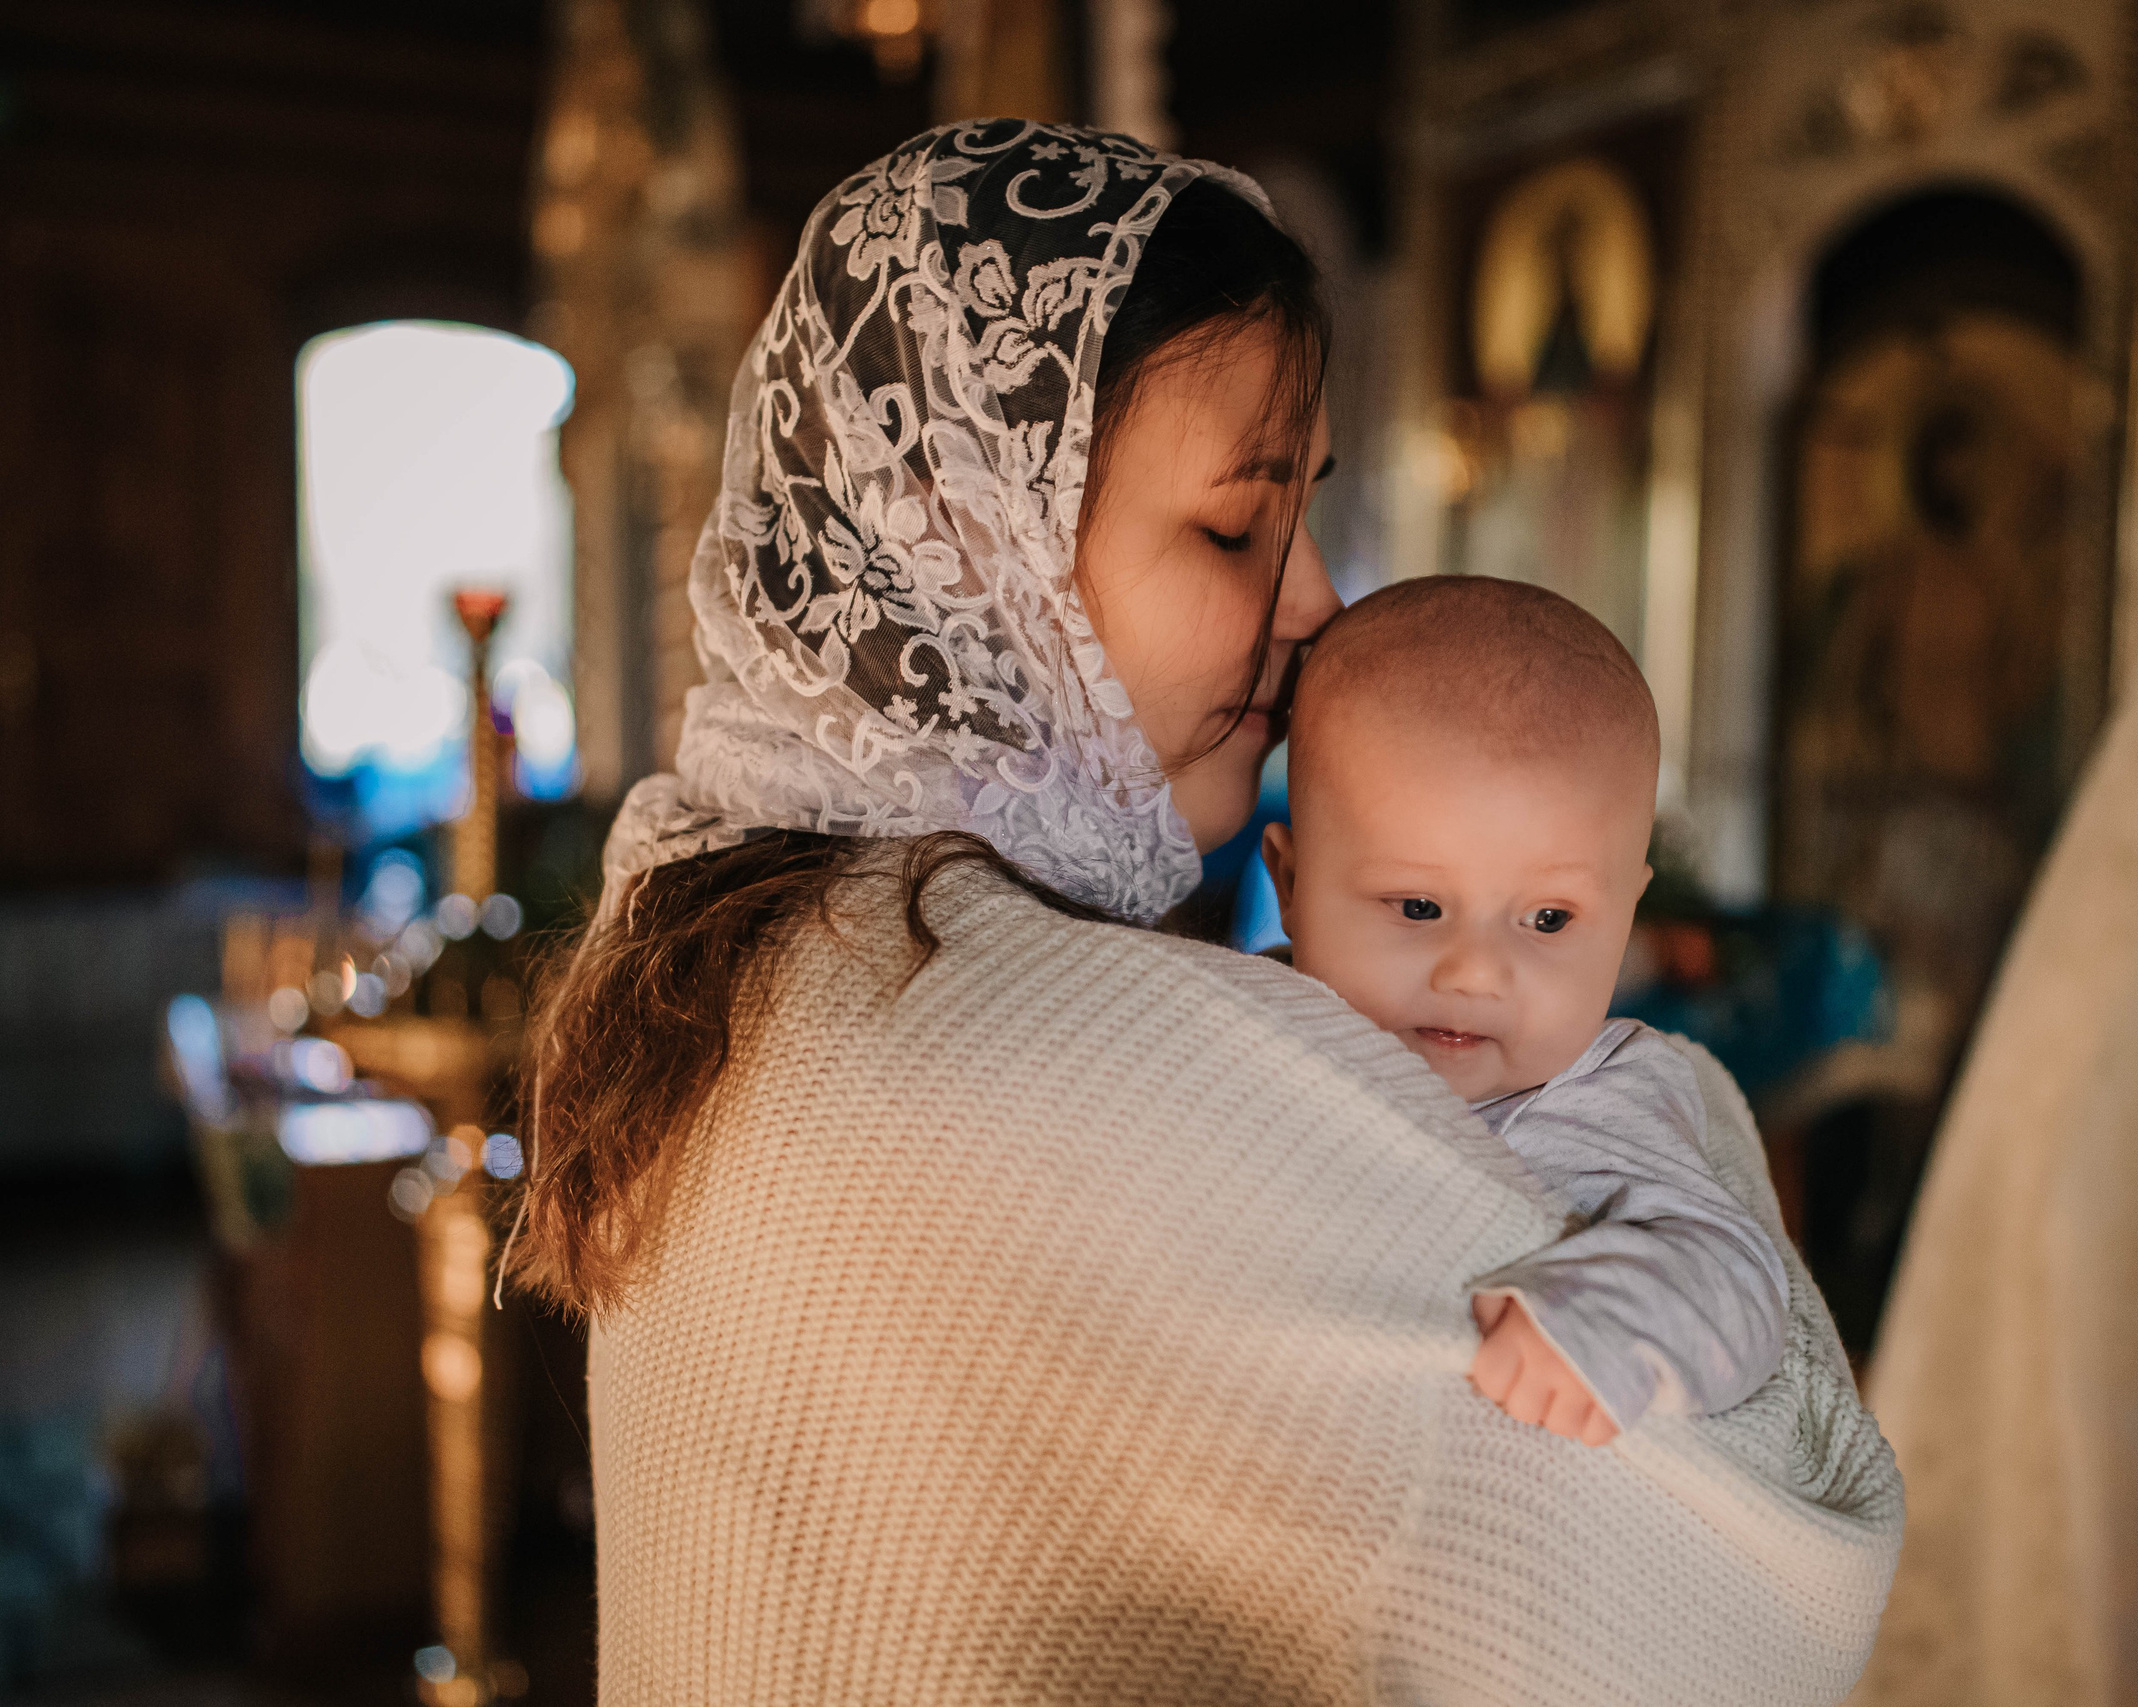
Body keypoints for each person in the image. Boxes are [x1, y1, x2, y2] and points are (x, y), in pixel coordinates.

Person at [513, 120, 1899, 1704]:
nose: (1314, 604)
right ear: (968, 538)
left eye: (1305, 513)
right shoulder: (1007, 1034)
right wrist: (1699, 1135)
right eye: (1239, 526)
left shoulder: (745, 933)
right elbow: (1736, 1558)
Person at [1262, 577, 1790, 1446]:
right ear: (1289, 884)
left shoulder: (1602, 1090)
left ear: (1626, 915)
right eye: (1419, 907)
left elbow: (1736, 1274)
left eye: (1548, 919)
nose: (1475, 974)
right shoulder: (1246, 1011)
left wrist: (1597, 1325)